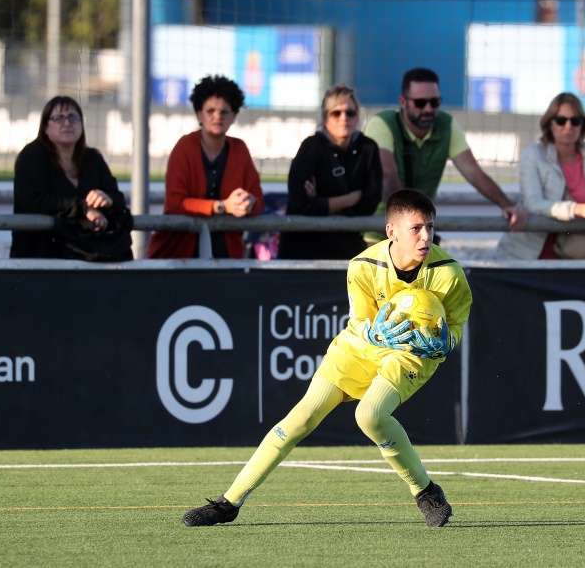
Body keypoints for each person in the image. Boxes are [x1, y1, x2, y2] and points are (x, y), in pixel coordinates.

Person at [182, 189, 472, 529]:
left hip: (411, 353)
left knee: (369, 415)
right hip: (358, 347)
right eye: (416, 228)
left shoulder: (449, 273)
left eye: (431, 227)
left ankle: (426, 492)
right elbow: (361, 323)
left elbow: (455, 326)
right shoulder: (362, 265)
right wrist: (376, 335)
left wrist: (443, 343)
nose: (426, 236)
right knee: (300, 418)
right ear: (391, 231)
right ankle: (228, 502)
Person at [363, 67, 527, 242]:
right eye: (420, 103)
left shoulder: (446, 124)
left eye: (435, 102)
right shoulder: (382, 123)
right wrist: (408, 220)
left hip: (419, 234)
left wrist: (507, 206)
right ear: (402, 102)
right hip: (377, 230)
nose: (428, 109)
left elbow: (473, 172)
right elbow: (387, 174)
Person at [146, 75, 264, 259]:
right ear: (199, 114)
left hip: (226, 256)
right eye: (210, 111)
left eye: (224, 111)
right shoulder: (184, 148)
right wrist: (222, 206)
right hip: (178, 254)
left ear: (233, 116)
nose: (217, 116)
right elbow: (176, 203)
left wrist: (249, 203)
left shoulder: (240, 150)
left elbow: (257, 198)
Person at [493, 92, 585, 260]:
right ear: (549, 124)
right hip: (533, 257)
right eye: (561, 121)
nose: (568, 126)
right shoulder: (533, 154)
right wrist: (580, 209)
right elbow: (533, 204)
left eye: (575, 121)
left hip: (581, 260)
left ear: (583, 125)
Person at [10, 96, 128, 258]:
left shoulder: (93, 158)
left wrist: (106, 200)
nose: (67, 123)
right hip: (39, 257)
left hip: (90, 255)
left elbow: (118, 199)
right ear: (45, 127)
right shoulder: (31, 157)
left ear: (82, 124)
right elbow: (34, 201)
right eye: (58, 118)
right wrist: (84, 209)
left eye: (73, 117)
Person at [277, 84, 382, 259]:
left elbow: (370, 203)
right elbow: (299, 203)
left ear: (357, 117)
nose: (344, 118)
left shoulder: (368, 148)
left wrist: (321, 202)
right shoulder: (310, 148)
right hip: (304, 249)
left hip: (347, 248)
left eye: (350, 112)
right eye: (336, 113)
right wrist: (348, 200)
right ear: (325, 118)